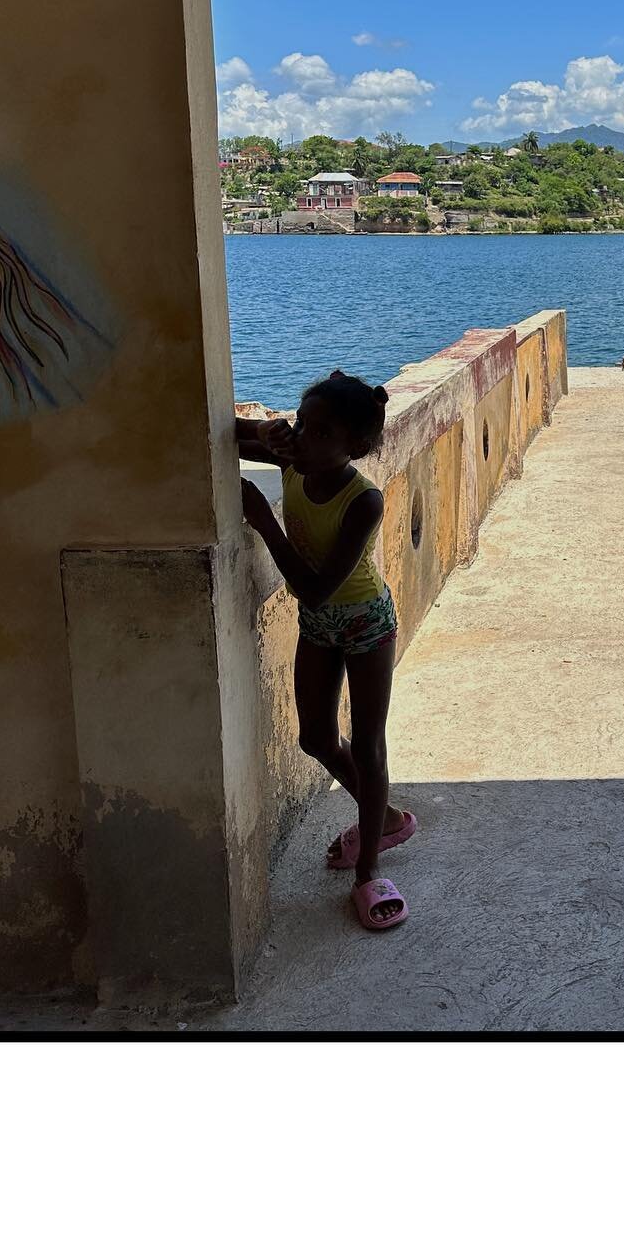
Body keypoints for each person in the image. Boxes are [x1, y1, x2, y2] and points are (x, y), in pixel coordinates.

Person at [236, 371, 414, 931]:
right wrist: (265, 432)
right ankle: (382, 816)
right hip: (320, 626)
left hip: (364, 623)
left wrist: (264, 523)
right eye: (303, 424)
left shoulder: (364, 500)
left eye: (321, 434)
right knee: (314, 737)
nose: (305, 440)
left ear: (354, 447)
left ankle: (368, 873)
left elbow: (315, 588)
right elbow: (221, 432)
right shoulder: (295, 462)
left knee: (367, 746)